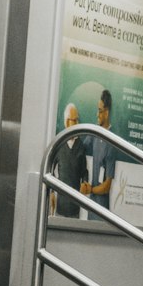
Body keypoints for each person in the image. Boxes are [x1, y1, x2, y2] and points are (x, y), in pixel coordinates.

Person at [81, 88, 116, 216]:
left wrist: (90, 189)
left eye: (100, 111)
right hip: (92, 206)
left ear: (106, 113)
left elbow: (107, 186)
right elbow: (80, 148)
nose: (97, 114)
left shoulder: (112, 143)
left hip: (102, 210)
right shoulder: (95, 133)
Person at [51, 103, 86, 217]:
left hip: (75, 208)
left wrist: (85, 183)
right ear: (66, 122)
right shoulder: (59, 143)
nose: (77, 123)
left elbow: (84, 172)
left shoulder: (81, 146)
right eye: (74, 120)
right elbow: (49, 169)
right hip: (60, 207)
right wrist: (51, 192)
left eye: (77, 120)